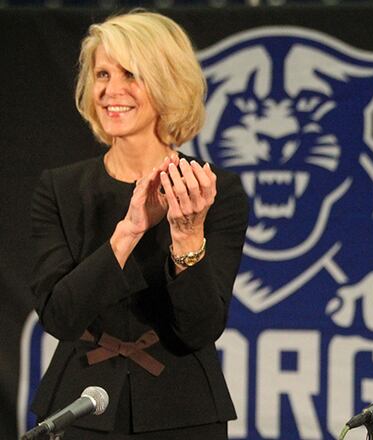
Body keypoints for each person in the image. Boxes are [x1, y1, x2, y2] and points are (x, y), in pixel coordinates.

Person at [29, 11, 248, 439]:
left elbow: (200, 328)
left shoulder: (213, 189)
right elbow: (60, 317)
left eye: (131, 75)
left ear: (167, 84)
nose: (112, 90)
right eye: (102, 74)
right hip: (81, 409)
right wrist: (128, 231)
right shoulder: (60, 188)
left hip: (184, 412)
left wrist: (187, 234)